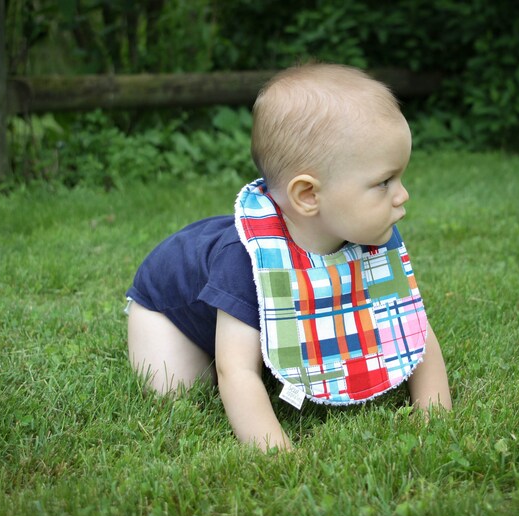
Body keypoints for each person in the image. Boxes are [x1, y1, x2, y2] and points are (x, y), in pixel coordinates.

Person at [126, 63, 452, 451]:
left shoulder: (365, 234)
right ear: (309, 196)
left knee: (256, 352)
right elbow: (237, 371)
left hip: (237, 309)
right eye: (384, 182)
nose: (402, 195)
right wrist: (278, 455)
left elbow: (412, 328)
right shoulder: (244, 261)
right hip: (170, 312)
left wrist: (436, 418)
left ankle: (263, 343)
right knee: (179, 388)